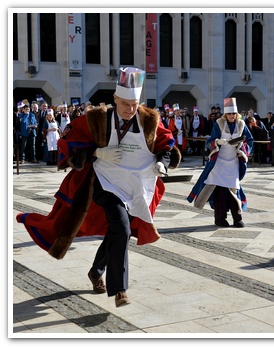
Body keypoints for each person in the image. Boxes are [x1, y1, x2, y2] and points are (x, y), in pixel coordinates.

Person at [16, 66, 181, 307]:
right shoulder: (97, 118)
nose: (130, 109)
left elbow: (167, 145)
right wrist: (97, 152)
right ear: (114, 99)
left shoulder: (149, 120)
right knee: (122, 229)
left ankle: (96, 271)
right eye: (125, 104)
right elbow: (68, 144)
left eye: (134, 104)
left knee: (117, 231)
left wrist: (162, 163)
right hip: (104, 183)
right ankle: (120, 290)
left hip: (135, 186)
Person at [187, 97, 254, 228]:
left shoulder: (241, 125)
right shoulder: (219, 124)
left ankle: (237, 218)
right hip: (219, 162)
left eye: (233, 114)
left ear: (237, 114)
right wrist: (217, 143)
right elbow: (210, 141)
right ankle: (220, 218)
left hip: (233, 162)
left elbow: (249, 140)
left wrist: (242, 149)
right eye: (229, 113)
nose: (231, 116)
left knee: (235, 190)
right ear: (225, 114)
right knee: (219, 192)